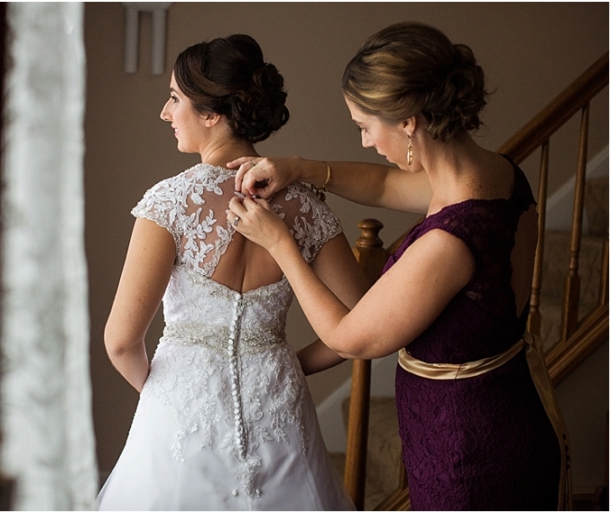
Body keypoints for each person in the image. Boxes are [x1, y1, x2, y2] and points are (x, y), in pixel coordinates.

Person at [227, 22, 570, 511]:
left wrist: (280, 243)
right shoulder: (495, 174)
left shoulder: (451, 242)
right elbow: (387, 187)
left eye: (365, 127)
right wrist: (299, 167)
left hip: (470, 449)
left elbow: (351, 337)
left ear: (408, 120)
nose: (365, 141)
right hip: (500, 409)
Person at [95, 34, 366, 510]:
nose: (165, 112)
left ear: (212, 113)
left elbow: (120, 341)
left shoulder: (169, 203)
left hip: (180, 416)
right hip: (279, 407)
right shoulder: (306, 205)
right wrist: (287, 363)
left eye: (175, 98)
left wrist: (169, 396)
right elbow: (363, 323)